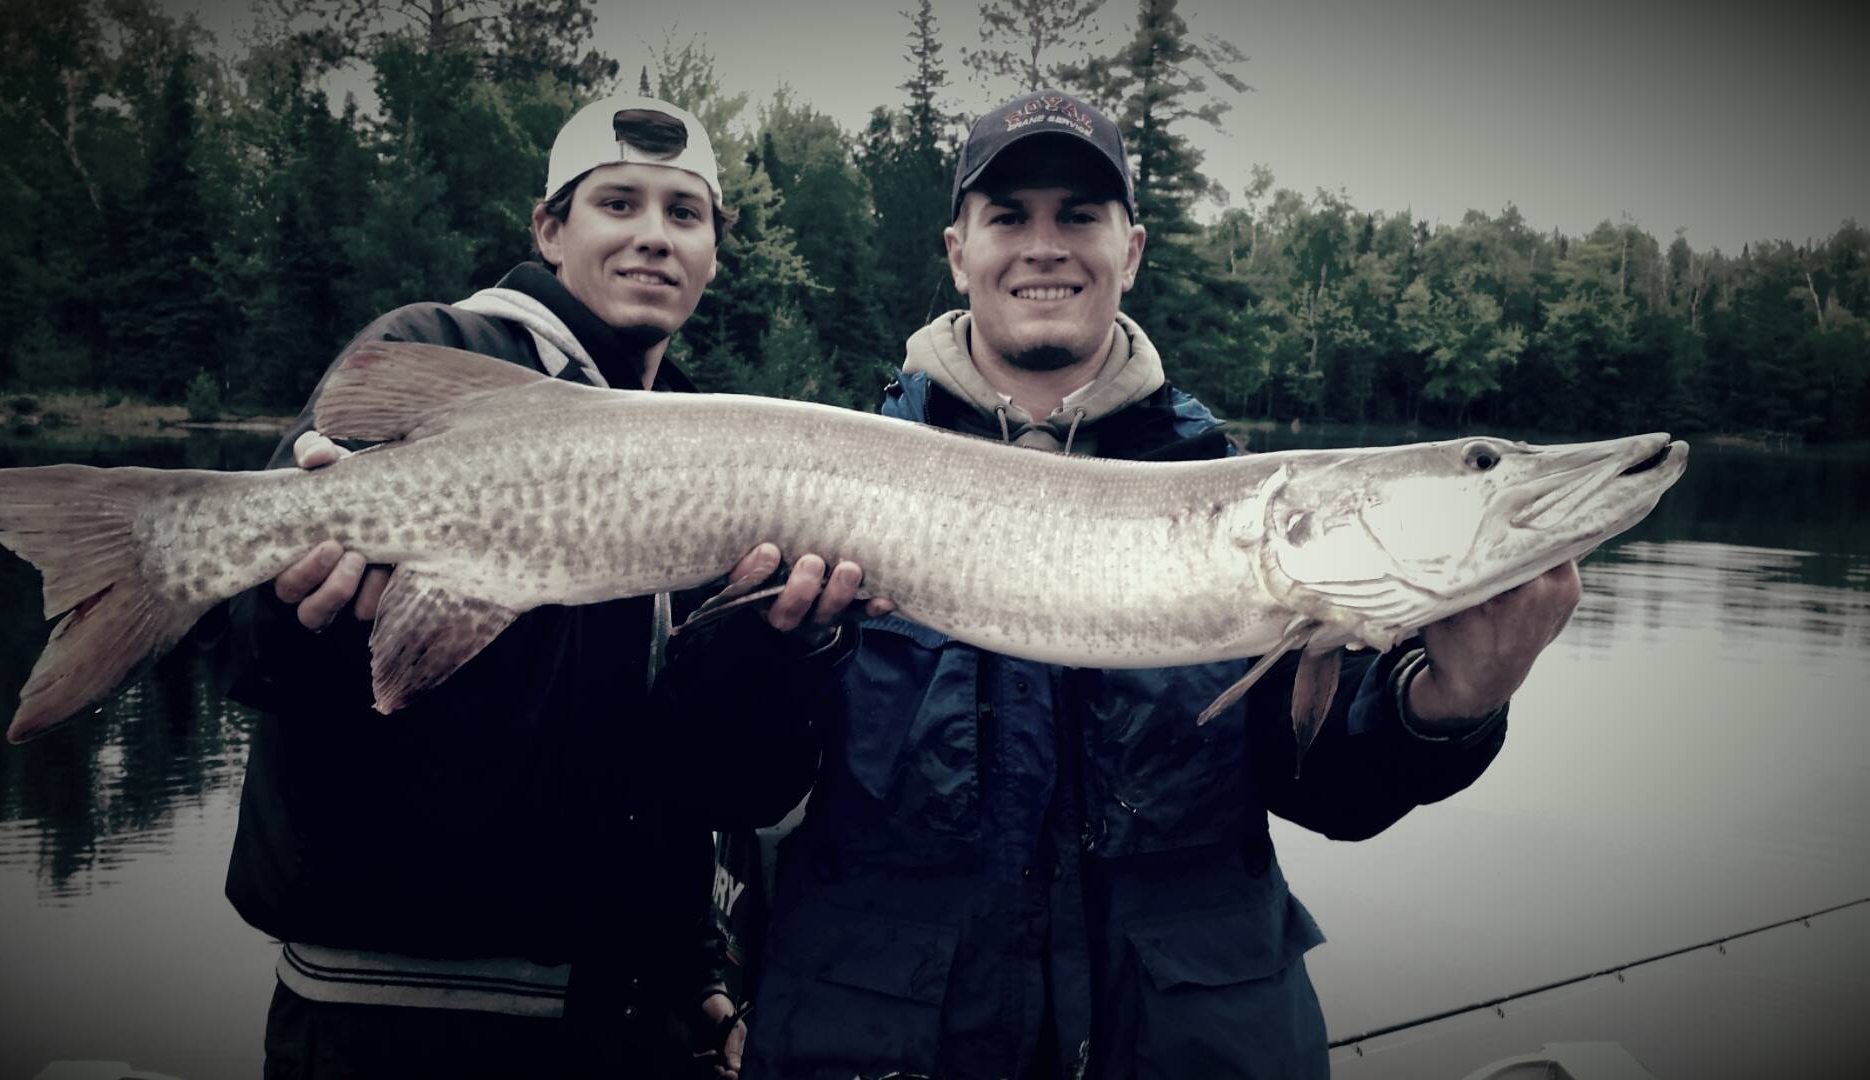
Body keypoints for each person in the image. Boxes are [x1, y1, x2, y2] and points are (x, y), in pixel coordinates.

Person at [741, 90, 1581, 1079]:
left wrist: (1448, 707)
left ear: (1130, 251)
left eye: (1080, 216)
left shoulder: (1256, 507)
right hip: (888, 1044)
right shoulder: (820, 479)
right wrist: (767, 657)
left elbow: (1332, 795)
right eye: (1009, 216)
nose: (1045, 247)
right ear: (958, 252)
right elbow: (733, 781)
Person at [222, 95, 880, 1079]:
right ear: (549, 229)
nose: (654, 235)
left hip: (626, 1020)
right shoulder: (440, 355)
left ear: (712, 253)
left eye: (684, 213)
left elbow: (719, 785)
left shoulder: (719, 455)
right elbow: (246, 651)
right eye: (619, 203)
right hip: (391, 1028)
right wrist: (294, 611)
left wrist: (783, 650)